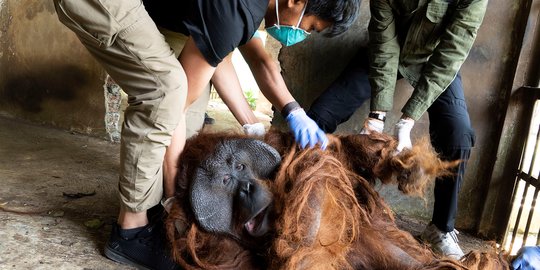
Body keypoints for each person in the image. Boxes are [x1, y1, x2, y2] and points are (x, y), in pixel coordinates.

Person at [52, 0, 359, 269]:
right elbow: (173, 112)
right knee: (166, 93)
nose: (302, 36)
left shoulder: (249, 9)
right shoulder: (240, 7)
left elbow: (225, 54)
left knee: (186, 119)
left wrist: (275, 117)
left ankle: (151, 201)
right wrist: (176, 205)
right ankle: (130, 232)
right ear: (296, 1)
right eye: (311, 26)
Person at [307, 0, 488, 260]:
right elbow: (383, 46)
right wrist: (377, 116)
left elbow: (450, 55)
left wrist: (408, 120)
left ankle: (440, 229)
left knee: (459, 135)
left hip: (436, 64)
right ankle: (307, 195)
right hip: (387, 55)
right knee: (320, 115)